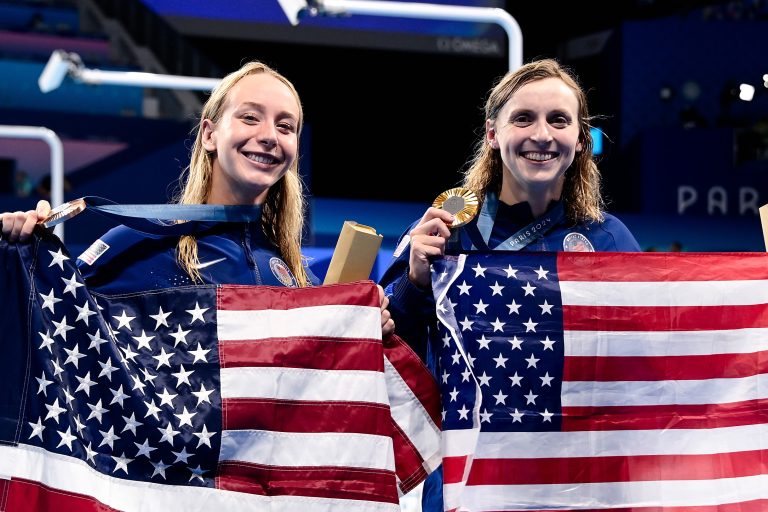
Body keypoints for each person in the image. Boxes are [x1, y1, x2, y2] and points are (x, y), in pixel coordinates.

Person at [379, 57, 641, 511]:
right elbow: (385, 349)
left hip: (575, 480)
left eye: (559, 120)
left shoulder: (608, 238)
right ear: (492, 134)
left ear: (580, 140)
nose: (542, 135)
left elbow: (650, 350)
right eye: (523, 118)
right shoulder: (445, 230)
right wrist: (415, 282)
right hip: (470, 480)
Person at [1, 60, 393, 334]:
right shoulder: (136, 245)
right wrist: (16, 254)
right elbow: (48, 324)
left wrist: (368, 329)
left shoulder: (299, 280)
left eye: (285, 126)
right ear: (209, 134)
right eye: (250, 117)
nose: (270, 135)